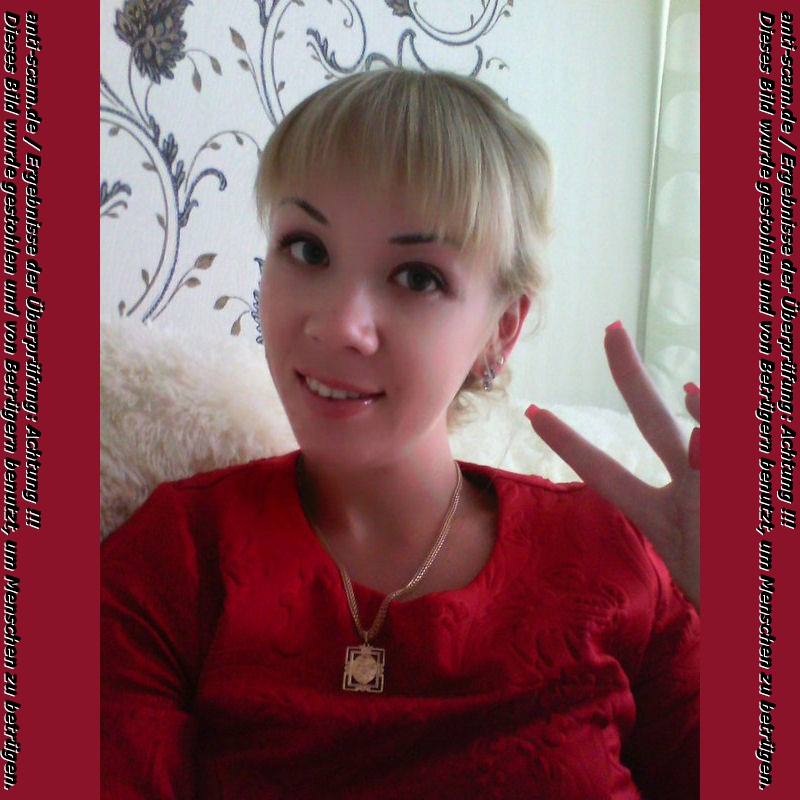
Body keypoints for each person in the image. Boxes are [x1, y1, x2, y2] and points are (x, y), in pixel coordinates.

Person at [101, 68, 700, 799]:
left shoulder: (619, 558)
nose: (339, 326)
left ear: (501, 330)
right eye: (308, 250)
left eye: (417, 277)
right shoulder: (177, 560)